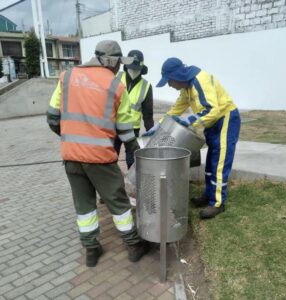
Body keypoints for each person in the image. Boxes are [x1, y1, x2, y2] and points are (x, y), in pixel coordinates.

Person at [46, 40, 149, 267]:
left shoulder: (67, 77)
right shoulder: (115, 86)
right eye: (119, 64)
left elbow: (52, 117)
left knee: (84, 205)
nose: (119, 69)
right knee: (118, 202)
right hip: (100, 158)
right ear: (110, 61)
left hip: (71, 156)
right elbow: (124, 129)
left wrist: (70, 138)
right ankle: (133, 245)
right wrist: (135, 149)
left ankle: (91, 249)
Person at [145, 57, 240, 219]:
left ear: (177, 76)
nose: (169, 85)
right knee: (210, 162)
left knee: (219, 163)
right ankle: (209, 195)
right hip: (211, 124)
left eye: (169, 81)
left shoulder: (199, 81)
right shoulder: (186, 87)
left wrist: (190, 120)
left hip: (225, 120)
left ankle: (217, 203)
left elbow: (212, 110)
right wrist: (160, 124)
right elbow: (177, 108)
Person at [114, 50, 154, 169]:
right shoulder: (116, 77)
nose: (133, 70)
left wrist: (151, 134)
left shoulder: (146, 86)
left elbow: (148, 116)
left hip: (132, 130)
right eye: (131, 67)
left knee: (132, 158)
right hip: (114, 126)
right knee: (111, 155)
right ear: (126, 66)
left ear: (142, 69)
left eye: (137, 68)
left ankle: (133, 182)